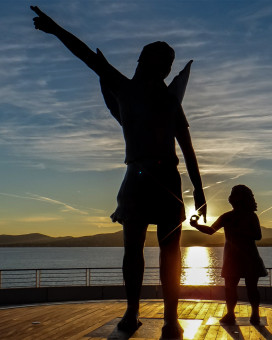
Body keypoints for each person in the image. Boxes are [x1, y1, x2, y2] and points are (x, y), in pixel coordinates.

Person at [31, 6, 207, 339]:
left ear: (153, 65)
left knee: (163, 252)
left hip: (160, 180)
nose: (142, 65)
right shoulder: (129, 90)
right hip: (146, 177)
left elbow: (186, 144)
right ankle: (135, 311)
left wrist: (198, 190)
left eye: (147, 61)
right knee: (138, 251)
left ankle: (168, 317)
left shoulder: (160, 97)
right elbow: (86, 56)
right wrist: (55, 29)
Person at [190, 185, 267, 325]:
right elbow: (211, 230)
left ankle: (255, 314)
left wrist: (237, 231)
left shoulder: (251, 216)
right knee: (230, 288)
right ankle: (230, 314)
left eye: (234, 194)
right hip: (232, 258)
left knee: (251, 288)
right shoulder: (227, 217)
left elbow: (257, 235)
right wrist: (196, 225)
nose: (231, 197)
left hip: (249, 257)